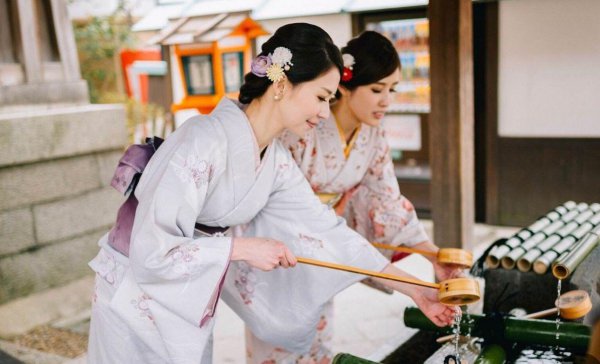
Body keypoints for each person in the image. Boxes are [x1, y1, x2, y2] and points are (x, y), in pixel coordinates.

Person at [87, 23, 455, 364]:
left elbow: (328, 230)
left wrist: (415, 288)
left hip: (189, 291)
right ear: (281, 85)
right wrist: (243, 248)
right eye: (322, 97)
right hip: (134, 294)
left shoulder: (275, 160)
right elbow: (152, 251)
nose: (326, 113)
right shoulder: (201, 138)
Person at [240, 31, 463, 363]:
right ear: (343, 86)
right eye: (376, 90)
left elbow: (386, 201)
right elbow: (279, 200)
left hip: (327, 242)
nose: (386, 101)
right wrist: (327, 214)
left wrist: (432, 255)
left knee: (319, 334)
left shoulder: (373, 135)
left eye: (392, 90)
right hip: (282, 241)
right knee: (279, 340)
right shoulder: (300, 126)